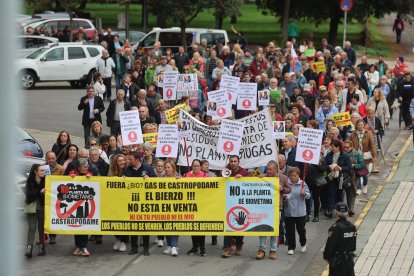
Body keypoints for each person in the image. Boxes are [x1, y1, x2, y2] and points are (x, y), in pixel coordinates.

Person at [256, 160, 291, 260]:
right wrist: (259, 178)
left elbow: (289, 189)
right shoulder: (264, 177)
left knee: (274, 229)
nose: (268, 171)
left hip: (276, 207)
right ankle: (261, 249)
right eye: (267, 169)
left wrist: (282, 189)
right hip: (263, 207)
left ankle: (273, 250)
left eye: (270, 169)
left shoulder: (283, 177)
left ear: (276, 170)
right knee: (262, 228)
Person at [124, 151, 156, 256]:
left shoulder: (148, 168)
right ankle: (134, 247)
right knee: (133, 225)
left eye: (130, 159)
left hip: (145, 202)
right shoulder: (127, 170)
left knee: (145, 225)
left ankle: (146, 248)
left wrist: (150, 179)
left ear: (137, 159)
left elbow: (157, 183)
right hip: (132, 202)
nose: (128, 161)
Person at [222, 155, 249, 258]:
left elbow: (250, 185)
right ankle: (227, 247)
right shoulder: (225, 172)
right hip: (228, 202)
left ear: (238, 162)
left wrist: (241, 179)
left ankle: (239, 245)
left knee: (240, 224)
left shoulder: (244, 173)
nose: (233, 163)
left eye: (235, 161)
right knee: (228, 225)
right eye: (231, 161)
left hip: (240, 203)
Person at [68, 158, 95, 257]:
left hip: (86, 205)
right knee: (76, 226)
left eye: (87, 166)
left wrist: (91, 178)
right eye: (84, 167)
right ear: (79, 167)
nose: (86, 168)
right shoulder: (72, 172)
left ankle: (84, 247)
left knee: (84, 225)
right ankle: (78, 246)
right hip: (74, 205)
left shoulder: (90, 174)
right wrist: (70, 178)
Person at [323, 202, 357, 276]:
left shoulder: (336, 228)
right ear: (347, 212)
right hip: (349, 261)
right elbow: (353, 245)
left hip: (337, 262)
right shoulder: (352, 226)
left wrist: (327, 256)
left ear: (336, 213)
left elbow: (330, 245)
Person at [185, 159, 208, 257]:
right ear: (192, 166)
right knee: (193, 227)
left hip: (202, 205)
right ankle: (195, 247)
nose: (196, 167)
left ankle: (202, 248)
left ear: (200, 166)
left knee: (201, 227)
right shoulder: (187, 175)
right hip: (191, 204)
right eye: (194, 166)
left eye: (197, 166)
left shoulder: (205, 176)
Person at [285, 167, 310, 255]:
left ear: (298, 176)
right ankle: (291, 247)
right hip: (289, 211)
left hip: (300, 212)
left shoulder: (303, 183)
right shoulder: (286, 183)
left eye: (295, 176)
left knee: (301, 230)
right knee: (290, 230)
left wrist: (304, 194)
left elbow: (308, 196)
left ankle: (303, 243)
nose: (292, 177)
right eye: (291, 175)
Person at [324, 140, 352, 218]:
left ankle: (340, 211)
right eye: (331, 147)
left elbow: (349, 167)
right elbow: (324, 165)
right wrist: (331, 167)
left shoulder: (345, 156)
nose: (331, 148)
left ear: (338, 147)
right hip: (331, 177)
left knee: (339, 194)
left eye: (333, 147)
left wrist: (339, 168)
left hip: (341, 178)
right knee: (331, 193)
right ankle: (329, 210)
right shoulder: (329, 155)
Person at [24, 164, 46, 258]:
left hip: (42, 207)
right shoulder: (30, 181)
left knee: (41, 228)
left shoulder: (46, 180)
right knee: (32, 228)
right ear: (35, 172)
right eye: (41, 170)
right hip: (32, 207)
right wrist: (40, 192)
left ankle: (42, 247)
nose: (43, 172)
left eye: (43, 171)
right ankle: (29, 248)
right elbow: (29, 194)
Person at [349, 119, 377, 194]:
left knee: (365, 174)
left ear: (364, 125)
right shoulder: (353, 134)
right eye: (359, 125)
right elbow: (350, 144)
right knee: (358, 173)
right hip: (356, 156)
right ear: (356, 126)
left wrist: (374, 155)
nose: (360, 126)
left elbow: (372, 145)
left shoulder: (368, 133)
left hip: (365, 156)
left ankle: (365, 185)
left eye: (362, 125)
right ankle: (359, 188)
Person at [162, 160, 181, 256]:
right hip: (164, 205)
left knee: (174, 225)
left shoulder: (178, 177)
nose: (166, 169)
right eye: (165, 167)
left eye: (168, 167)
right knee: (166, 225)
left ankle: (174, 246)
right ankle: (169, 245)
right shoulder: (161, 177)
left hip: (175, 205)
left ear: (173, 168)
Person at [45, 151, 65, 244]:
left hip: (55, 196)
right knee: (43, 217)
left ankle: (52, 237)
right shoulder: (42, 168)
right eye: (49, 158)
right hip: (44, 195)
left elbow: (63, 182)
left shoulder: (60, 168)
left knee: (53, 216)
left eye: (53, 158)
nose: (51, 160)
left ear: (56, 158)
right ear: (46, 159)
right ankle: (43, 237)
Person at [343, 140, 363, 215]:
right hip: (345, 175)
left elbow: (361, 165)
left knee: (353, 192)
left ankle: (351, 208)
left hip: (354, 176)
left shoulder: (357, 154)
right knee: (347, 192)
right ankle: (348, 207)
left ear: (351, 147)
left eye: (347, 147)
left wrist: (354, 165)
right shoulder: (343, 154)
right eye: (344, 147)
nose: (345, 149)